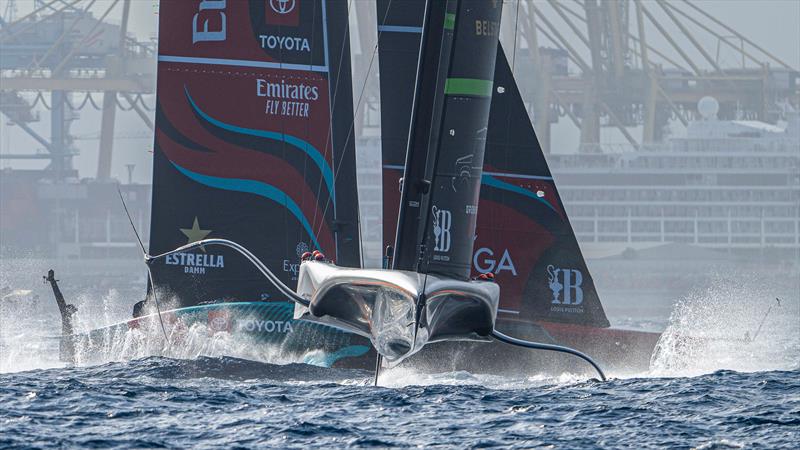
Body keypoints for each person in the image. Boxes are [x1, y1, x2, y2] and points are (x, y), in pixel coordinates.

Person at [44, 269, 77, 362]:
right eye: (72, 308)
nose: (75, 310)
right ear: (69, 309)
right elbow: (59, 297)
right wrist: (53, 282)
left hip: (66, 341)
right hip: (67, 342)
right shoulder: (65, 313)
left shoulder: (67, 315)